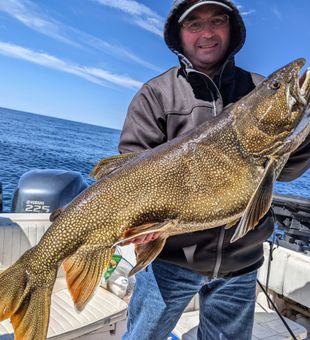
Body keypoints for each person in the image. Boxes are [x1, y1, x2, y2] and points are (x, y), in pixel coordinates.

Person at [118, 1, 310, 339]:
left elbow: (287, 171)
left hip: (241, 266)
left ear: (231, 29)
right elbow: (130, 171)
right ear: (179, 35)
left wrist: (304, 129)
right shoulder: (155, 95)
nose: (207, 32)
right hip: (169, 262)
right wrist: (141, 223)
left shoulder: (257, 87)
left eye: (217, 21)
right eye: (194, 24)